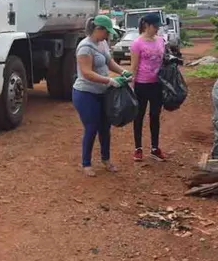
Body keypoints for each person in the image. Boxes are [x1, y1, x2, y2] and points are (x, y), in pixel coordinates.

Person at [72, 15, 132, 177]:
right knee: (91, 127)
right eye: (106, 32)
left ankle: (106, 159)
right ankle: (86, 164)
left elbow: (109, 61)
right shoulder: (85, 47)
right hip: (86, 93)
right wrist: (110, 81)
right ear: (98, 29)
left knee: (105, 127)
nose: (108, 36)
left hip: (102, 92)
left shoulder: (102, 43)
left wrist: (122, 71)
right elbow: (86, 73)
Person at [129, 13, 167, 162]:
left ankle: (154, 147)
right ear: (147, 26)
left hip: (157, 84)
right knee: (138, 116)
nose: (157, 30)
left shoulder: (160, 41)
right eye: (155, 26)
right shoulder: (137, 43)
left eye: (158, 27)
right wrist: (131, 86)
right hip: (141, 84)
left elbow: (164, 60)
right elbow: (134, 66)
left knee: (155, 116)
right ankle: (138, 148)